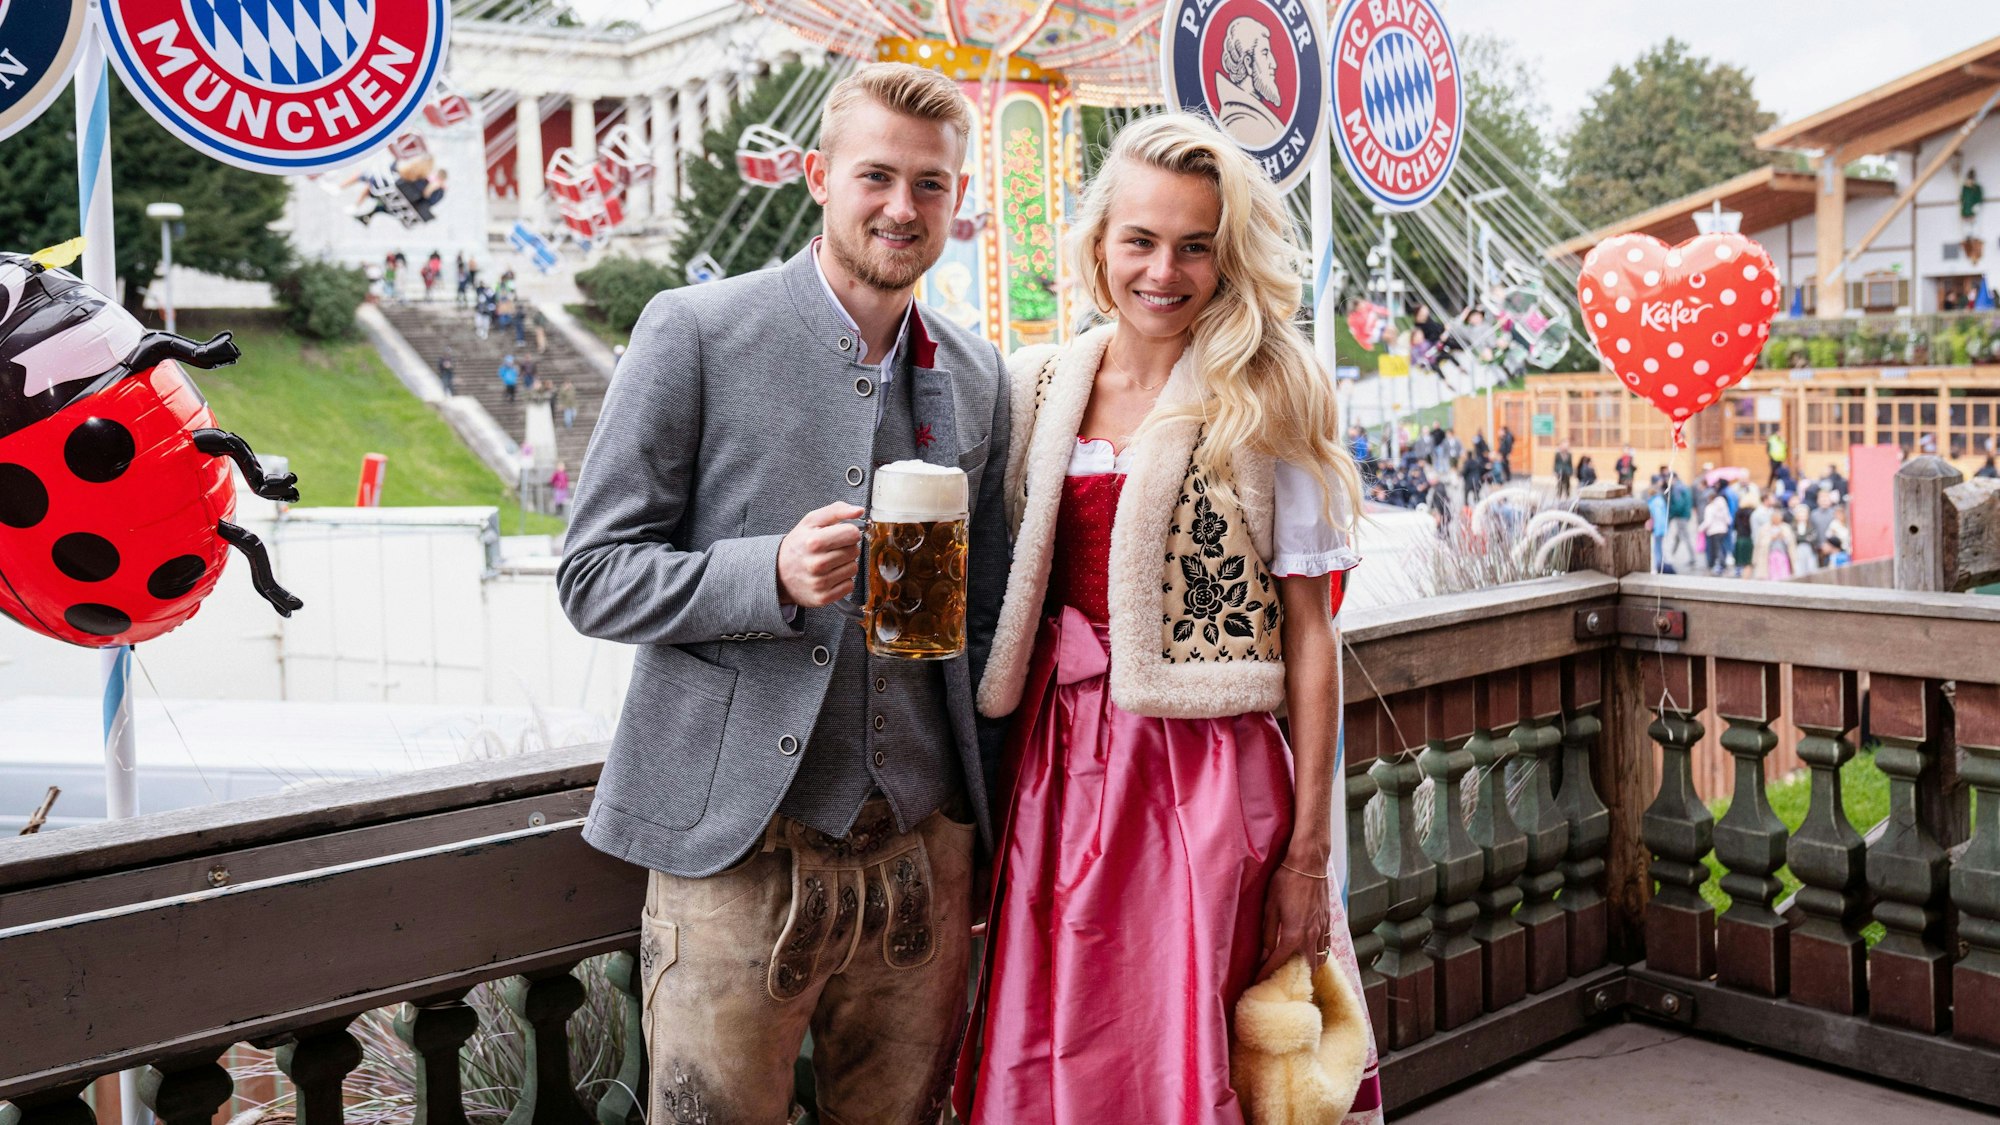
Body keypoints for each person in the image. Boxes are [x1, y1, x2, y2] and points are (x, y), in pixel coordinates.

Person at [557, 63, 1009, 1125]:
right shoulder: (694, 331)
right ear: (816, 175)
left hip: (921, 859)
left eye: (931, 185)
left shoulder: (980, 375)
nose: (902, 207)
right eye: (876, 176)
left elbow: (982, 616)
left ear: (956, 199)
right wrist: (764, 574)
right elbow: (589, 576)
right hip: (734, 857)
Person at [961, 112, 1380, 1124]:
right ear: (1099, 241)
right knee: (1056, 1028)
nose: (1164, 270)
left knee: (1183, 1035)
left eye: (1196, 244)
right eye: (1141, 240)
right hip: (1049, 773)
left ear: (1228, 255)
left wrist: (1308, 860)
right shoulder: (1035, 385)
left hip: (1199, 780)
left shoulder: (1268, 390)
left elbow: (1312, 635)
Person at [1701, 487, 1732, 575]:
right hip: (1723, 529)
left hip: (1713, 531)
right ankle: (1723, 563)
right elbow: (1727, 517)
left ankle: (1719, 564)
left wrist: (1700, 529)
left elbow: (1708, 521)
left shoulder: (1710, 507)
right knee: (1722, 547)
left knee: (1716, 549)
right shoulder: (1722, 504)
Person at [1648, 484, 1671, 571]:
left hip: (1659, 528)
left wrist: (1657, 529)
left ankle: (1659, 566)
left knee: (1657, 548)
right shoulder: (1659, 500)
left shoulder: (1655, 502)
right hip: (1661, 528)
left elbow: (1658, 517)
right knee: (1659, 547)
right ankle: (1660, 564)